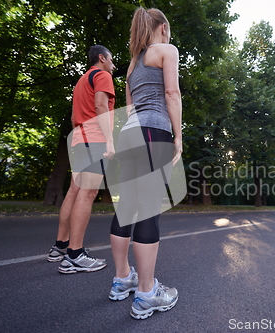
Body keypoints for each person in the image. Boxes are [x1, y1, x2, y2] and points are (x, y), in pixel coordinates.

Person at [107, 7, 183, 320]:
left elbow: (128, 108)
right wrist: (178, 136)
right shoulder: (166, 50)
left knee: (126, 208)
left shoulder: (131, 66)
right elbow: (171, 92)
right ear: (163, 27)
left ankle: (123, 279)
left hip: (129, 135)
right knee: (149, 208)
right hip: (155, 132)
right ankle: (147, 293)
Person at [47, 45, 116, 274]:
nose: (114, 65)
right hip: (93, 138)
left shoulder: (81, 80)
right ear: (101, 58)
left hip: (78, 138)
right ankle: (75, 255)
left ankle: (60, 246)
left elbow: (74, 114)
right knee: (88, 192)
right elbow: (100, 106)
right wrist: (109, 140)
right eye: (111, 60)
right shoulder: (103, 75)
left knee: (74, 191)